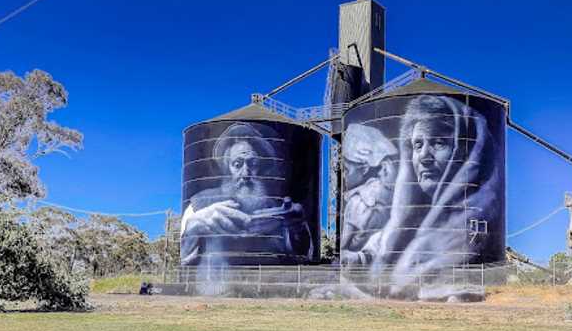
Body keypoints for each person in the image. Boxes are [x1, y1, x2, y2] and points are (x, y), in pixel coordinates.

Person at [346, 96, 501, 298]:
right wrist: (359, 259)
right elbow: (381, 248)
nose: (424, 157)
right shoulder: (406, 220)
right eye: (417, 145)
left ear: (465, 151)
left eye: (438, 143)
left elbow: (438, 296)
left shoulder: (475, 220)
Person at [180, 122, 313, 266]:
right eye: (237, 164)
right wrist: (192, 229)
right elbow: (183, 261)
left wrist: (298, 228)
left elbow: (304, 258)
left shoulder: (281, 209)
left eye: (252, 164)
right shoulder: (199, 204)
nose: (245, 174)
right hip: (212, 285)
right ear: (227, 167)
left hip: (271, 284)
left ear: (260, 167)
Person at [340, 124, 398, 254]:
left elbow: (342, 246)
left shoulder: (359, 202)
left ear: (365, 168)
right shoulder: (387, 192)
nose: (342, 175)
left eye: (346, 169)